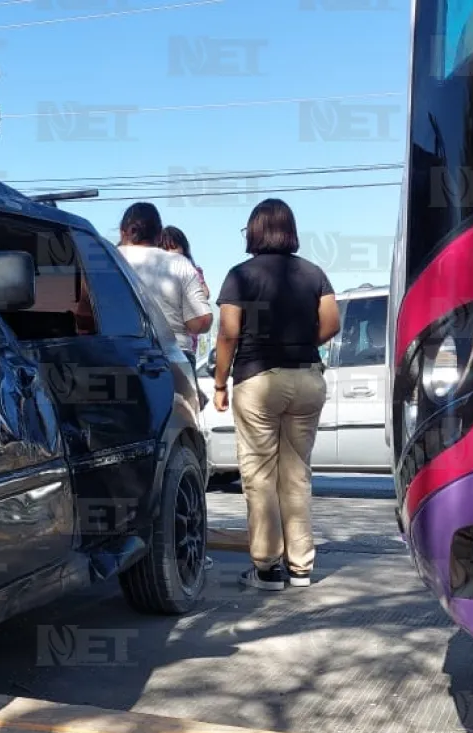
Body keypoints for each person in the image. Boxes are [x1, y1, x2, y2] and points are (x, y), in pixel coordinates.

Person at [211, 198, 340, 592]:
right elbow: (332, 324)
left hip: (258, 380)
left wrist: (219, 383)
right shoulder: (314, 273)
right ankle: (301, 568)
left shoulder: (240, 276)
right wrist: (300, 343)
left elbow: (229, 332)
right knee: (297, 474)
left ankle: (267, 570)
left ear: (254, 231)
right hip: (306, 378)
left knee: (260, 476)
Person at [116, 203, 212, 375]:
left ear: (122, 231)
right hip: (175, 358)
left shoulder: (107, 260)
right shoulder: (179, 263)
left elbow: (84, 314)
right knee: (178, 403)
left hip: (118, 359)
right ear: (159, 235)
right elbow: (202, 320)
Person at [159, 225, 210, 360]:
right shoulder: (158, 273)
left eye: (174, 247)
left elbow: (205, 293)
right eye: (165, 249)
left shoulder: (191, 269)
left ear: (184, 248)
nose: (170, 253)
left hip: (186, 342)